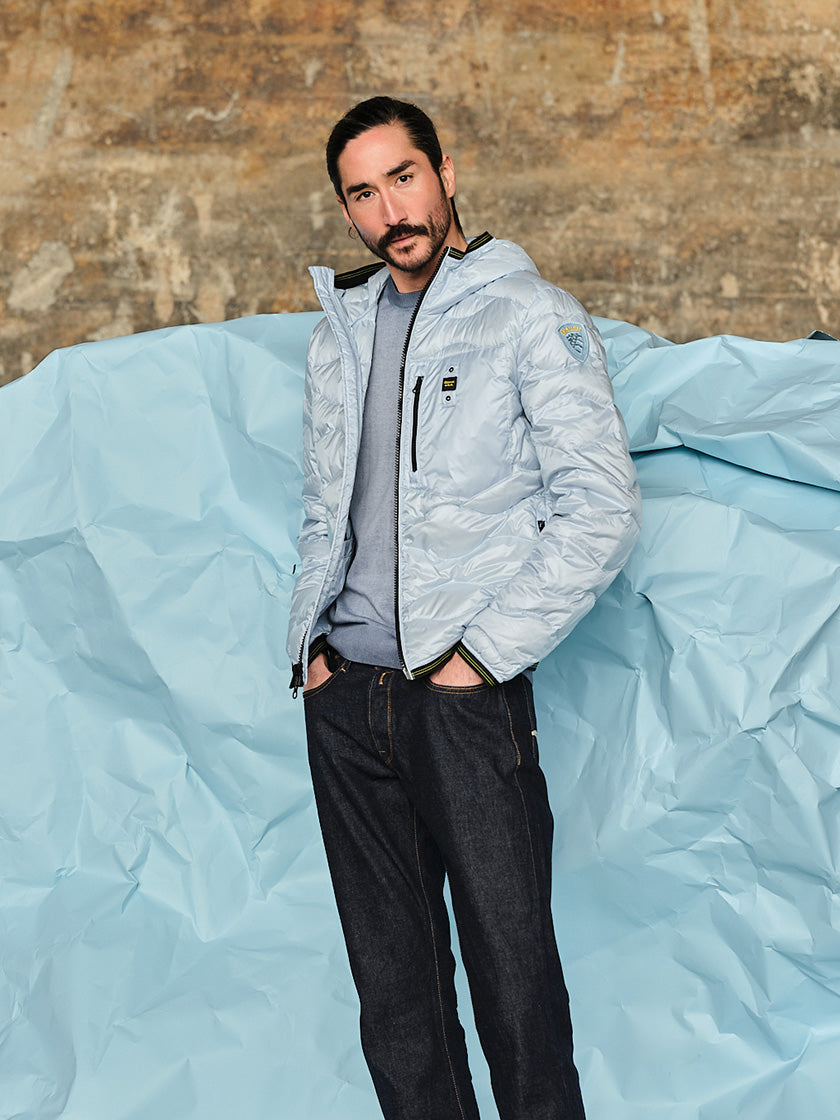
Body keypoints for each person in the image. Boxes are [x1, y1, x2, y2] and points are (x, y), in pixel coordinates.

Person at [286, 95, 641, 1120]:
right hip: (346, 703)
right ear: (345, 209)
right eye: (362, 193)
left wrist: (478, 659)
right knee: (396, 1003)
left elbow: (602, 507)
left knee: (514, 984)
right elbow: (326, 513)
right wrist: (312, 650)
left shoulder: (529, 313)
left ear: (445, 174)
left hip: (463, 701)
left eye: (403, 178)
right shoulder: (337, 337)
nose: (389, 210)